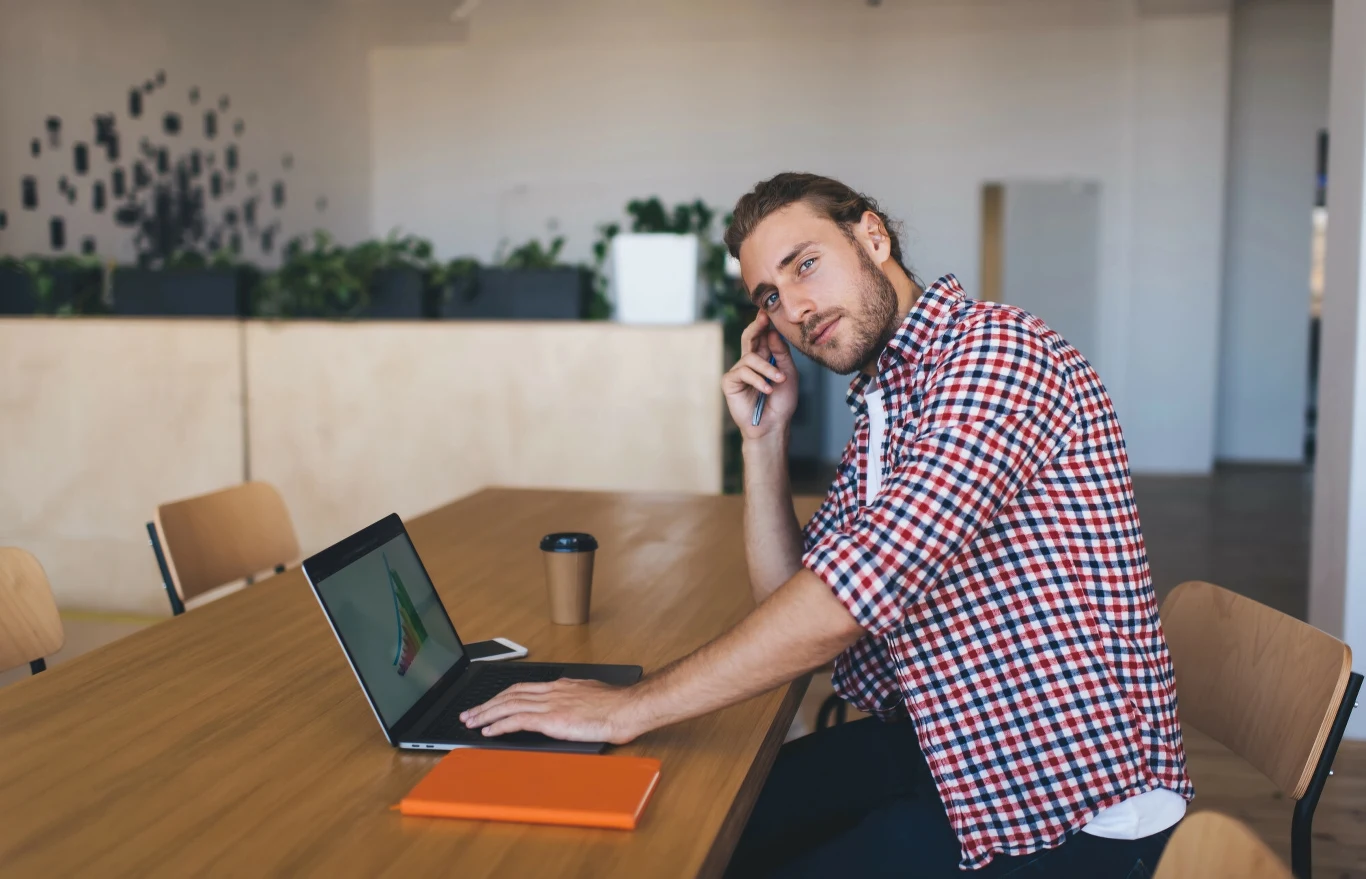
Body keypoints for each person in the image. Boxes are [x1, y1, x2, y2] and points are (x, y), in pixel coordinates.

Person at [461, 172, 1193, 876]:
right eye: (771, 296)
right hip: (944, 746)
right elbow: (791, 597)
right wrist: (764, 441)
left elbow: (844, 605)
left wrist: (627, 709)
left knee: (704, 836)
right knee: (689, 818)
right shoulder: (891, 392)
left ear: (872, 237)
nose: (796, 307)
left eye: (806, 264)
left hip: (1062, 801)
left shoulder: (995, 354)